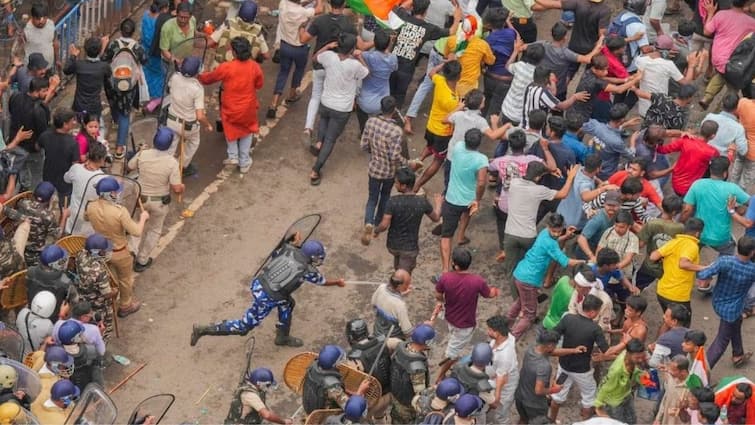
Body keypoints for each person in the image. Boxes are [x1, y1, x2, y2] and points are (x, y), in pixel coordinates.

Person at [191, 236, 345, 346]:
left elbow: (279, 250)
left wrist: (293, 240)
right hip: (268, 296)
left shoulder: (287, 248)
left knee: (288, 303)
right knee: (243, 327)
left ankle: (282, 337)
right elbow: (322, 281)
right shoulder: (308, 270)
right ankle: (203, 330)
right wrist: (337, 282)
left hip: (259, 283)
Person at [508, 214, 586, 338]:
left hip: (521, 272)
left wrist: (565, 236)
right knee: (529, 315)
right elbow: (566, 261)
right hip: (529, 279)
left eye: (559, 231)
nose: (556, 234)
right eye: (554, 231)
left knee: (520, 302)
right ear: (548, 226)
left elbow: (554, 242)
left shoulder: (544, 233)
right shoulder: (550, 243)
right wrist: (585, 262)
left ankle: (506, 325)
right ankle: (511, 338)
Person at [501, 161, 576, 285]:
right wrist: (570, 177)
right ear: (538, 177)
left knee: (512, 270)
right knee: (532, 264)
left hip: (510, 234)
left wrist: (548, 171)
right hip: (528, 236)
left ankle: (517, 298)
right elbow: (563, 194)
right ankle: (530, 290)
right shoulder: (539, 190)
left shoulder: (514, 183)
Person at [308, 34, 369, 185]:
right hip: (342, 108)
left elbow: (315, 58)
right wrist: (360, 57)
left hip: (326, 101)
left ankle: (318, 144)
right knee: (331, 139)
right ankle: (315, 170)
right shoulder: (354, 65)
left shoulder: (328, 56)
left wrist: (326, 47)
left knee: (323, 121)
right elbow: (367, 72)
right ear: (352, 48)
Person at [198, 37, 264, 174]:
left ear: (234, 52)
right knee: (247, 131)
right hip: (249, 106)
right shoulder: (255, 67)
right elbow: (259, 84)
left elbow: (209, 78)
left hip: (230, 107)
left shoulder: (227, 67)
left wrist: (200, 74)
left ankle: (233, 156)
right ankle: (244, 161)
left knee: (230, 130)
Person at [85, 177, 148, 318]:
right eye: (114, 192)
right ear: (110, 194)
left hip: (101, 251)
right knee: (125, 279)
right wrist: (143, 218)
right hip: (119, 251)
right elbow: (136, 232)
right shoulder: (120, 211)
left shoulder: (90, 206)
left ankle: (111, 298)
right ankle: (125, 305)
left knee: (110, 277)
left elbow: (86, 218)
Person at [298, 0, 360, 141]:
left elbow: (303, 39)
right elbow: (360, 45)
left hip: (320, 64)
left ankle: (308, 128)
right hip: (338, 66)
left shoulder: (320, 21)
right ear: (344, 5)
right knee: (332, 96)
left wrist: (301, 27)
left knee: (315, 96)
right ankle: (324, 135)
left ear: (330, 4)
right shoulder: (348, 23)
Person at [434, 247, 499, 378]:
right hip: (465, 324)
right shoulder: (477, 281)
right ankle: (440, 375)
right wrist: (496, 291)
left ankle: (451, 360)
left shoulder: (445, 278)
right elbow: (489, 294)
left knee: (454, 341)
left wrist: (441, 302)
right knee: (451, 354)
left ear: (455, 265)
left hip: (450, 318)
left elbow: (438, 295)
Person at [128, 127, 184, 271]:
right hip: (159, 202)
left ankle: (131, 253)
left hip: (140, 199)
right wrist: (181, 187)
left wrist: (141, 151)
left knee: (135, 224)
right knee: (154, 229)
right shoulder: (172, 162)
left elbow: (129, 166)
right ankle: (142, 260)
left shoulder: (143, 154)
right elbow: (176, 188)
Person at [551, 294, 611, 421]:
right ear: (593, 312)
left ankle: (551, 420)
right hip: (582, 371)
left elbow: (554, 334)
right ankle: (585, 421)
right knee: (589, 396)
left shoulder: (568, 319)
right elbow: (606, 350)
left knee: (557, 395)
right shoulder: (595, 329)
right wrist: (622, 347)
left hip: (564, 366)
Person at [698, 236, 755, 369]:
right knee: (721, 342)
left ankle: (738, 354)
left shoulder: (724, 261)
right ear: (752, 252)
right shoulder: (752, 269)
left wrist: (710, 274)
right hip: (732, 309)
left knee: (737, 322)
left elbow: (703, 274)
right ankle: (702, 373)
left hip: (718, 301)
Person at [390, 0, 460, 108]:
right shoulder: (428, 28)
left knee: (389, 90)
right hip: (407, 69)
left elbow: (401, 6)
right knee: (399, 95)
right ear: (426, 12)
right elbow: (451, 31)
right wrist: (457, 18)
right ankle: (394, 115)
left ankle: (385, 111)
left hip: (391, 64)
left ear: (412, 7)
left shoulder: (402, 17)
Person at [490, 129, 547, 257]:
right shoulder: (532, 159)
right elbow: (548, 166)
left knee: (501, 222)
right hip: (524, 206)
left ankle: (503, 248)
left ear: (510, 145)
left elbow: (490, 168)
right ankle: (520, 249)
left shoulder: (501, 160)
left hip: (505, 205)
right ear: (525, 145)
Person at [439, 129, 489, 272]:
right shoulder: (481, 160)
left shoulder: (458, 147)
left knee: (446, 235)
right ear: (479, 143)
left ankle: (445, 269)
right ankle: (460, 236)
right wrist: (477, 200)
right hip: (469, 199)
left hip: (452, 198)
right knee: (466, 215)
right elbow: (481, 183)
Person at [374, 168, 441, 274]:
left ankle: (397, 283)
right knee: (404, 276)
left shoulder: (393, 202)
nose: (395, 185)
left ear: (403, 186)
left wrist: (376, 231)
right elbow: (436, 218)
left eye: (396, 183)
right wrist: (438, 204)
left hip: (393, 244)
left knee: (398, 269)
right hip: (409, 248)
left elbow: (384, 225)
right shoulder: (422, 202)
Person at [360, 96, 407, 245]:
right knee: (385, 196)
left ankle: (368, 222)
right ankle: (378, 225)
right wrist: (407, 163)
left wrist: (373, 153)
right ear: (394, 111)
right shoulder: (396, 131)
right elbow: (395, 157)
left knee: (372, 198)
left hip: (374, 169)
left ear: (381, 108)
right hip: (389, 172)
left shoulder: (371, 122)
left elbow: (364, 145)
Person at [682, 157, 749, 257]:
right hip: (721, 237)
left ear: (710, 170)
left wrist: (681, 224)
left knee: (692, 255)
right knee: (729, 251)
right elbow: (751, 202)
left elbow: (687, 210)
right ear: (725, 173)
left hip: (699, 233)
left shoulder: (698, 184)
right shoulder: (732, 188)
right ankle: (721, 270)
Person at [412, 60, 461, 193]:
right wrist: (461, 107)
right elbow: (451, 118)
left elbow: (432, 72)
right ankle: (417, 185)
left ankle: (417, 162)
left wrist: (443, 63)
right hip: (443, 133)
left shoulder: (439, 81)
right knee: (438, 161)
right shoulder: (452, 101)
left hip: (431, 127)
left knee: (429, 147)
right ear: (458, 76)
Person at [269, 0, 323, 116]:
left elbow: (298, 4)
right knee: (298, 71)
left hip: (284, 45)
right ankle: (292, 95)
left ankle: (273, 103)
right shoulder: (303, 12)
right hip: (299, 48)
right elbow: (319, 10)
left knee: (283, 72)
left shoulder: (283, 4)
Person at [101, 18, 147, 155]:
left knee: (113, 103)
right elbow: (145, 60)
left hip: (112, 83)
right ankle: (120, 148)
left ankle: (115, 120)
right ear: (134, 32)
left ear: (121, 30)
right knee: (125, 113)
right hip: (129, 84)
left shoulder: (113, 45)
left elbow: (104, 59)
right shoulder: (138, 47)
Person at [699, 0, 755, 108]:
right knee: (734, 84)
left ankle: (707, 97)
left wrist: (710, 14)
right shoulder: (751, 22)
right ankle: (725, 107)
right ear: (746, 4)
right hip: (734, 61)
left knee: (721, 73)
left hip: (718, 56)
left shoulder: (721, 15)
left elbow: (707, 31)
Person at [649, 218, 705, 323]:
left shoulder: (674, 242)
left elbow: (653, 256)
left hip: (662, 291)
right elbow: (683, 264)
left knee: (668, 323)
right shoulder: (692, 245)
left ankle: (660, 340)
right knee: (681, 328)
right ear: (697, 233)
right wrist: (703, 268)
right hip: (678, 296)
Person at [163, 56, 212, 177]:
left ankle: (165, 168)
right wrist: (208, 125)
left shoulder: (174, 78)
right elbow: (200, 116)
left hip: (171, 120)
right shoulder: (197, 89)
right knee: (193, 142)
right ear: (198, 71)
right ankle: (182, 166)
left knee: (171, 144)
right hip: (188, 126)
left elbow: (169, 89)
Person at [536, 22, 604, 100]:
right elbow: (587, 59)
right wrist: (597, 46)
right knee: (558, 107)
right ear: (565, 37)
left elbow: (523, 47)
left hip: (543, 86)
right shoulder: (566, 53)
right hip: (559, 89)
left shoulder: (542, 44)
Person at [4, 182, 66, 266]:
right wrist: (64, 217)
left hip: (18, 246)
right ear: (50, 199)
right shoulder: (49, 217)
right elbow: (57, 235)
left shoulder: (22, 203)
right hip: (35, 254)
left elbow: (10, 210)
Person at [8, 77, 51, 191]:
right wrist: (39, 145)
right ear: (37, 91)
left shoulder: (15, 96)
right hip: (32, 149)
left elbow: (11, 111)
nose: (47, 93)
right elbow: (44, 133)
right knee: (36, 178)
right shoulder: (39, 110)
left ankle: (22, 191)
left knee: (21, 172)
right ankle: (34, 196)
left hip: (16, 145)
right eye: (45, 90)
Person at [655, 121, 720, 197]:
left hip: (676, 183)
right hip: (690, 189)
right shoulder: (712, 152)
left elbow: (661, 150)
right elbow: (720, 165)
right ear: (712, 136)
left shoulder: (685, 140)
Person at [344, 319, 391, 419]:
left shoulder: (354, 358)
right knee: (380, 416)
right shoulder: (384, 341)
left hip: (372, 401)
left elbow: (352, 386)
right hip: (390, 393)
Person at [570, 56, 639, 123]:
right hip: (582, 114)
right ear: (595, 69)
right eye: (603, 70)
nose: (606, 72)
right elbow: (619, 89)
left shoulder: (589, 72)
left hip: (576, 109)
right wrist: (636, 80)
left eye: (607, 69)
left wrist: (625, 80)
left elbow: (606, 79)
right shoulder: (596, 82)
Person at [635, 195, 683, 289]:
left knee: (637, 286)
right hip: (668, 268)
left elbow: (640, 244)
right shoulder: (680, 228)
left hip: (649, 265)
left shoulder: (651, 224)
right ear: (674, 212)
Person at [389, 324, 435, 424]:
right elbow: (420, 393)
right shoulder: (417, 367)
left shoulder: (401, 349)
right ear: (425, 342)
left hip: (396, 394)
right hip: (407, 405)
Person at [354, 30, 397, 133]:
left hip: (364, 101)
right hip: (382, 102)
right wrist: (390, 44)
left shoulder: (367, 56)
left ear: (374, 42)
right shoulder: (393, 58)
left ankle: (363, 131)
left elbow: (357, 54)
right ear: (387, 44)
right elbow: (392, 66)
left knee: (361, 115)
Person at [594, 338, 647, 423]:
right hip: (614, 403)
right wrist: (598, 406)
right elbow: (604, 387)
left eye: (642, 356)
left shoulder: (629, 357)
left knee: (632, 421)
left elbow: (636, 373)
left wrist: (644, 379)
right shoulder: (617, 370)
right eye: (637, 357)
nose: (640, 360)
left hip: (626, 395)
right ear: (628, 354)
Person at [74, 234, 115, 341]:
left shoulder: (80, 254)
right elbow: (106, 294)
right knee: (105, 327)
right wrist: (115, 291)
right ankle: (101, 343)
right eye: (104, 250)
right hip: (98, 304)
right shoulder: (99, 271)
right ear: (98, 252)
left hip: (83, 298)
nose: (106, 252)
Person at [514, 330, 561, 423]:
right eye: (555, 346)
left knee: (523, 420)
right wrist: (553, 390)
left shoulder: (531, 349)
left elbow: (554, 352)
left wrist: (573, 351)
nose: (555, 348)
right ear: (550, 346)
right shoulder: (544, 366)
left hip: (520, 396)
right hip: (535, 404)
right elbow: (538, 390)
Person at [581, 103, 636, 180]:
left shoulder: (596, 126)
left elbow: (580, 125)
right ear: (622, 120)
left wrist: (624, 125)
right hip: (606, 173)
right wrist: (633, 142)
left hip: (592, 166)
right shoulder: (617, 142)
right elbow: (631, 156)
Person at [37, 108, 79, 206]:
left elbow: (37, 147)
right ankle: (62, 219)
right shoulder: (73, 143)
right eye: (72, 120)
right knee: (64, 204)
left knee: (45, 197)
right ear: (65, 124)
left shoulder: (45, 135)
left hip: (48, 174)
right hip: (64, 180)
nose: (75, 122)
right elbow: (75, 164)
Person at [64, 142, 106, 236]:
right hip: (90, 217)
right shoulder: (103, 178)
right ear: (102, 159)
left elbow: (66, 178)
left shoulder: (76, 168)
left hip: (74, 213)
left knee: (72, 236)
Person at [211, 1, 270, 67]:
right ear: (254, 16)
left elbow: (211, 42)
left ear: (239, 12)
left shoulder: (228, 24)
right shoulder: (257, 32)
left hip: (221, 68)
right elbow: (266, 55)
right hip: (242, 72)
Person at [481, 7, 516, 117]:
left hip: (490, 76)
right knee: (496, 109)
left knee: (485, 103)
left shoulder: (488, 40)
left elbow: (484, 61)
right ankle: (491, 130)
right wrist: (508, 22)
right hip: (506, 79)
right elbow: (517, 35)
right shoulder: (511, 33)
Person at [225, 367, 292, 424]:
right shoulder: (251, 395)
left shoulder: (252, 386)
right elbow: (267, 415)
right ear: (260, 384)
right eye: (267, 385)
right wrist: (284, 422)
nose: (268, 387)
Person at [63, 37, 109, 119]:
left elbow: (66, 70)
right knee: (94, 128)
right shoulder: (103, 66)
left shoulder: (79, 65)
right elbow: (106, 71)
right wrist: (102, 49)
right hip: (94, 107)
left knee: (82, 126)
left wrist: (73, 56)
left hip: (79, 106)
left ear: (85, 49)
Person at [483, 316, 518, 424]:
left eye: (489, 329)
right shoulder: (505, 337)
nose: (487, 331)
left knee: (500, 413)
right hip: (495, 375)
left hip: (504, 386)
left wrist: (497, 398)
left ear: (497, 332)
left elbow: (501, 379)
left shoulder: (505, 355)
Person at [499, 42, 545, 125]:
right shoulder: (538, 76)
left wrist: (516, 51)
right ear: (542, 59)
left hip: (506, 108)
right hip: (520, 116)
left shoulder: (519, 66)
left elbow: (507, 66)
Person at [596, 212, 641, 289]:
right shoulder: (608, 232)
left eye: (621, 227)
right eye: (616, 225)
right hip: (606, 270)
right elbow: (599, 249)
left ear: (629, 226)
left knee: (624, 293)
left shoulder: (633, 238)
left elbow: (628, 259)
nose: (617, 229)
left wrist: (613, 268)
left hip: (623, 272)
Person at [56, 320, 103, 390]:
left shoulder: (56, 353)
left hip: (68, 389)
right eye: (80, 334)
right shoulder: (91, 350)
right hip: (86, 388)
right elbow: (97, 375)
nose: (83, 335)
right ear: (75, 338)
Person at [576, 190, 621, 262]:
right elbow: (581, 239)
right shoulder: (598, 219)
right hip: (587, 251)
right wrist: (591, 256)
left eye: (614, 206)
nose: (611, 208)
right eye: (609, 205)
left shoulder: (618, 214)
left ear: (619, 206)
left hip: (600, 249)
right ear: (604, 204)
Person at [566, 269, 613, 333]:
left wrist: (584, 332)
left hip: (593, 332)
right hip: (578, 323)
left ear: (589, 287)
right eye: (576, 285)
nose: (576, 288)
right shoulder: (578, 290)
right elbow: (572, 308)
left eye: (579, 286)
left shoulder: (605, 301)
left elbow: (602, 326)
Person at [371, 269, 413, 339]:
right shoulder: (400, 305)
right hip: (390, 338)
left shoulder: (381, 287)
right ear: (400, 286)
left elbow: (373, 304)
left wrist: (401, 294)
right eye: (407, 284)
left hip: (377, 330)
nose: (409, 286)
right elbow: (407, 331)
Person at [705, 93, 748, 158]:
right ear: (737, 107)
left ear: (722, 104)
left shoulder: (709, 117)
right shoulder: (738, 128)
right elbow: (743, 151)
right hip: (721, 162)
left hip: (704, 155)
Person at [141, 0, 169, 99]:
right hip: (155, 52)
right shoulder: (161, 21)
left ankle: (146, 96)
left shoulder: (145, 14)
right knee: (158, 75)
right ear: (164, 8)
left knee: (147, 73)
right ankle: (156, 100)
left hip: (145, 50)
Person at [16, 291, 56, 356]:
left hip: (19, 352)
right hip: (33, 357)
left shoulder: (23, 312)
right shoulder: (48, 324)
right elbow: (51, 339)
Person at [653, 355, 690, 425]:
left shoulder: (691, 387)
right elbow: (665, 399)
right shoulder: (671, 379)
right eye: (669, 368)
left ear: (683, 372)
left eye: (673, 370)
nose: (669, 372)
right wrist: (658, 419)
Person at [23, 3, 58, 71]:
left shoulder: (51, 24)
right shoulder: (26, 30)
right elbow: (18, 49)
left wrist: (57, 60)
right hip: (33, 70)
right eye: (38, 19)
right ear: (32, 17)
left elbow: (55, 42)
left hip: (48, 67)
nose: (41, 21)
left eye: (44, 18)